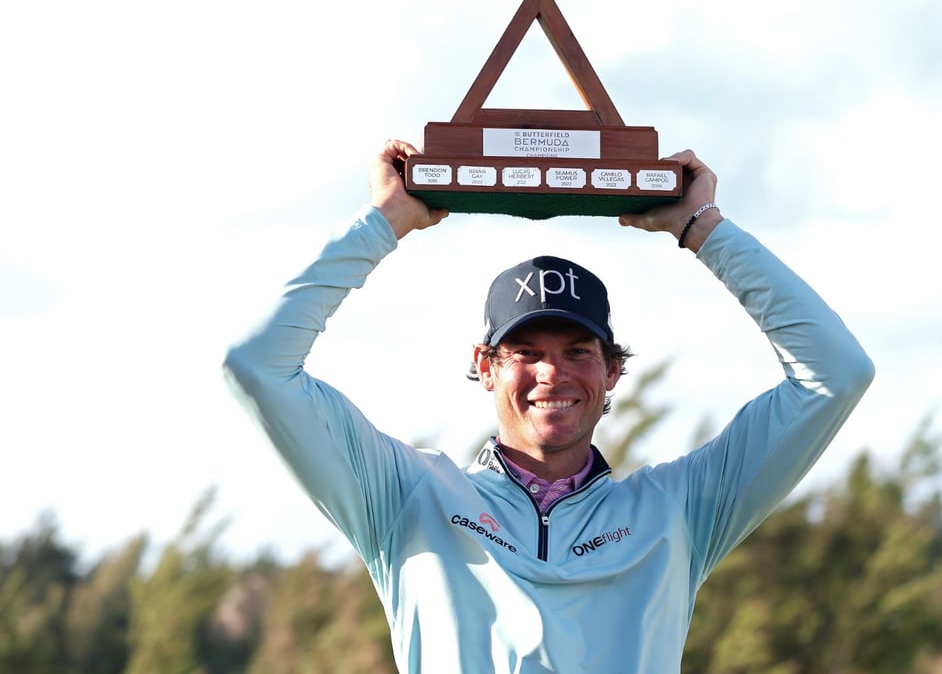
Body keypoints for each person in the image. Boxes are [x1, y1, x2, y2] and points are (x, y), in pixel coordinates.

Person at [223, 140, 875, 674]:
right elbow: (256, 365)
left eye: (577, 350)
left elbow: (837, 373)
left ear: (613, 370)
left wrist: (702, 229)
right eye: (524, 351)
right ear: (484, 367)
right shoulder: (404, 496)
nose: (551, 373)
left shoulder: (678, 509)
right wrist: (386, 221)